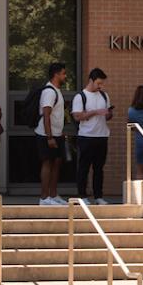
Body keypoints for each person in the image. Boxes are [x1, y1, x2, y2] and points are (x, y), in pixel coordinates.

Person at [72, 68, 113, 205]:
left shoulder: (104, 95)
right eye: (98, 83)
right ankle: (82, 195)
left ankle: (98, 196)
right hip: (86, 136)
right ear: (91, 80)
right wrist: (94, 112)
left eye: (102, 84)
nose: (100, 86)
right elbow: (77, 116)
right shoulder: (80, 96)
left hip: (102, 135)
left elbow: (107, 115)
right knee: (84, 167)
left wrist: (108, 114)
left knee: (99, 168)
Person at [35, 62, 68, 206]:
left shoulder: (57, 90)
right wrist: (49, 137)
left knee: (57, 162)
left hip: (56, 134)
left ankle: (53, 195)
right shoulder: (49, 91)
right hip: (46, 135)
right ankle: (44, 197)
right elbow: (46, 114)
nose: (65, 76)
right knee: (47, 162)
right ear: (56, 74)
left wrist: (59, 133)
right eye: (63, 73)